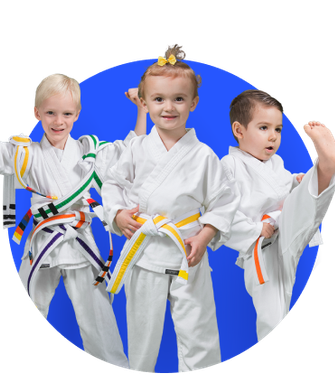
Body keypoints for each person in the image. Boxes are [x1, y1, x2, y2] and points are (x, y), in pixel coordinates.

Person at [0, 73, 147, 368]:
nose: (58, 121)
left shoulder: (89, 153)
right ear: (36, 113)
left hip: (80, 243)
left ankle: (115, 364)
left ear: (77, 115)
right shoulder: (26, 153)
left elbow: (131, 153)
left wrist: (142, 110)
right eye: (50, 113)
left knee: (98, 319)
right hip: (43, 242)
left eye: (66, 113)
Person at [101, 44, 240, 373]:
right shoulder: (136, 148)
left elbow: (223, 200)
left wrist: (206, 234)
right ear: (145, 103)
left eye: (179, 99)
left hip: (186, 252)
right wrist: (118, 214)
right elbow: (113, 185)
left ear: (193, 103)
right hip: (145, 252)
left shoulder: (204, 156)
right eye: (159, 99)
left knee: (199, 334)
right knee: (142, 336)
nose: (169, 107)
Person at [221, 89, 335, 342]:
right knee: (275, 315)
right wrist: (256, 229)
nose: (273, 136)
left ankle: (325, 167)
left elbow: (279, 189)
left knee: (305, 198)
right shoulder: (229, 166)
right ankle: (324, 169)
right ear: (239, 130)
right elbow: (223, 212)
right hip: (261, 248)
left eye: (278, 129)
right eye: (264, 127)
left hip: (285, 228)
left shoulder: (275, 163)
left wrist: (294, 182)